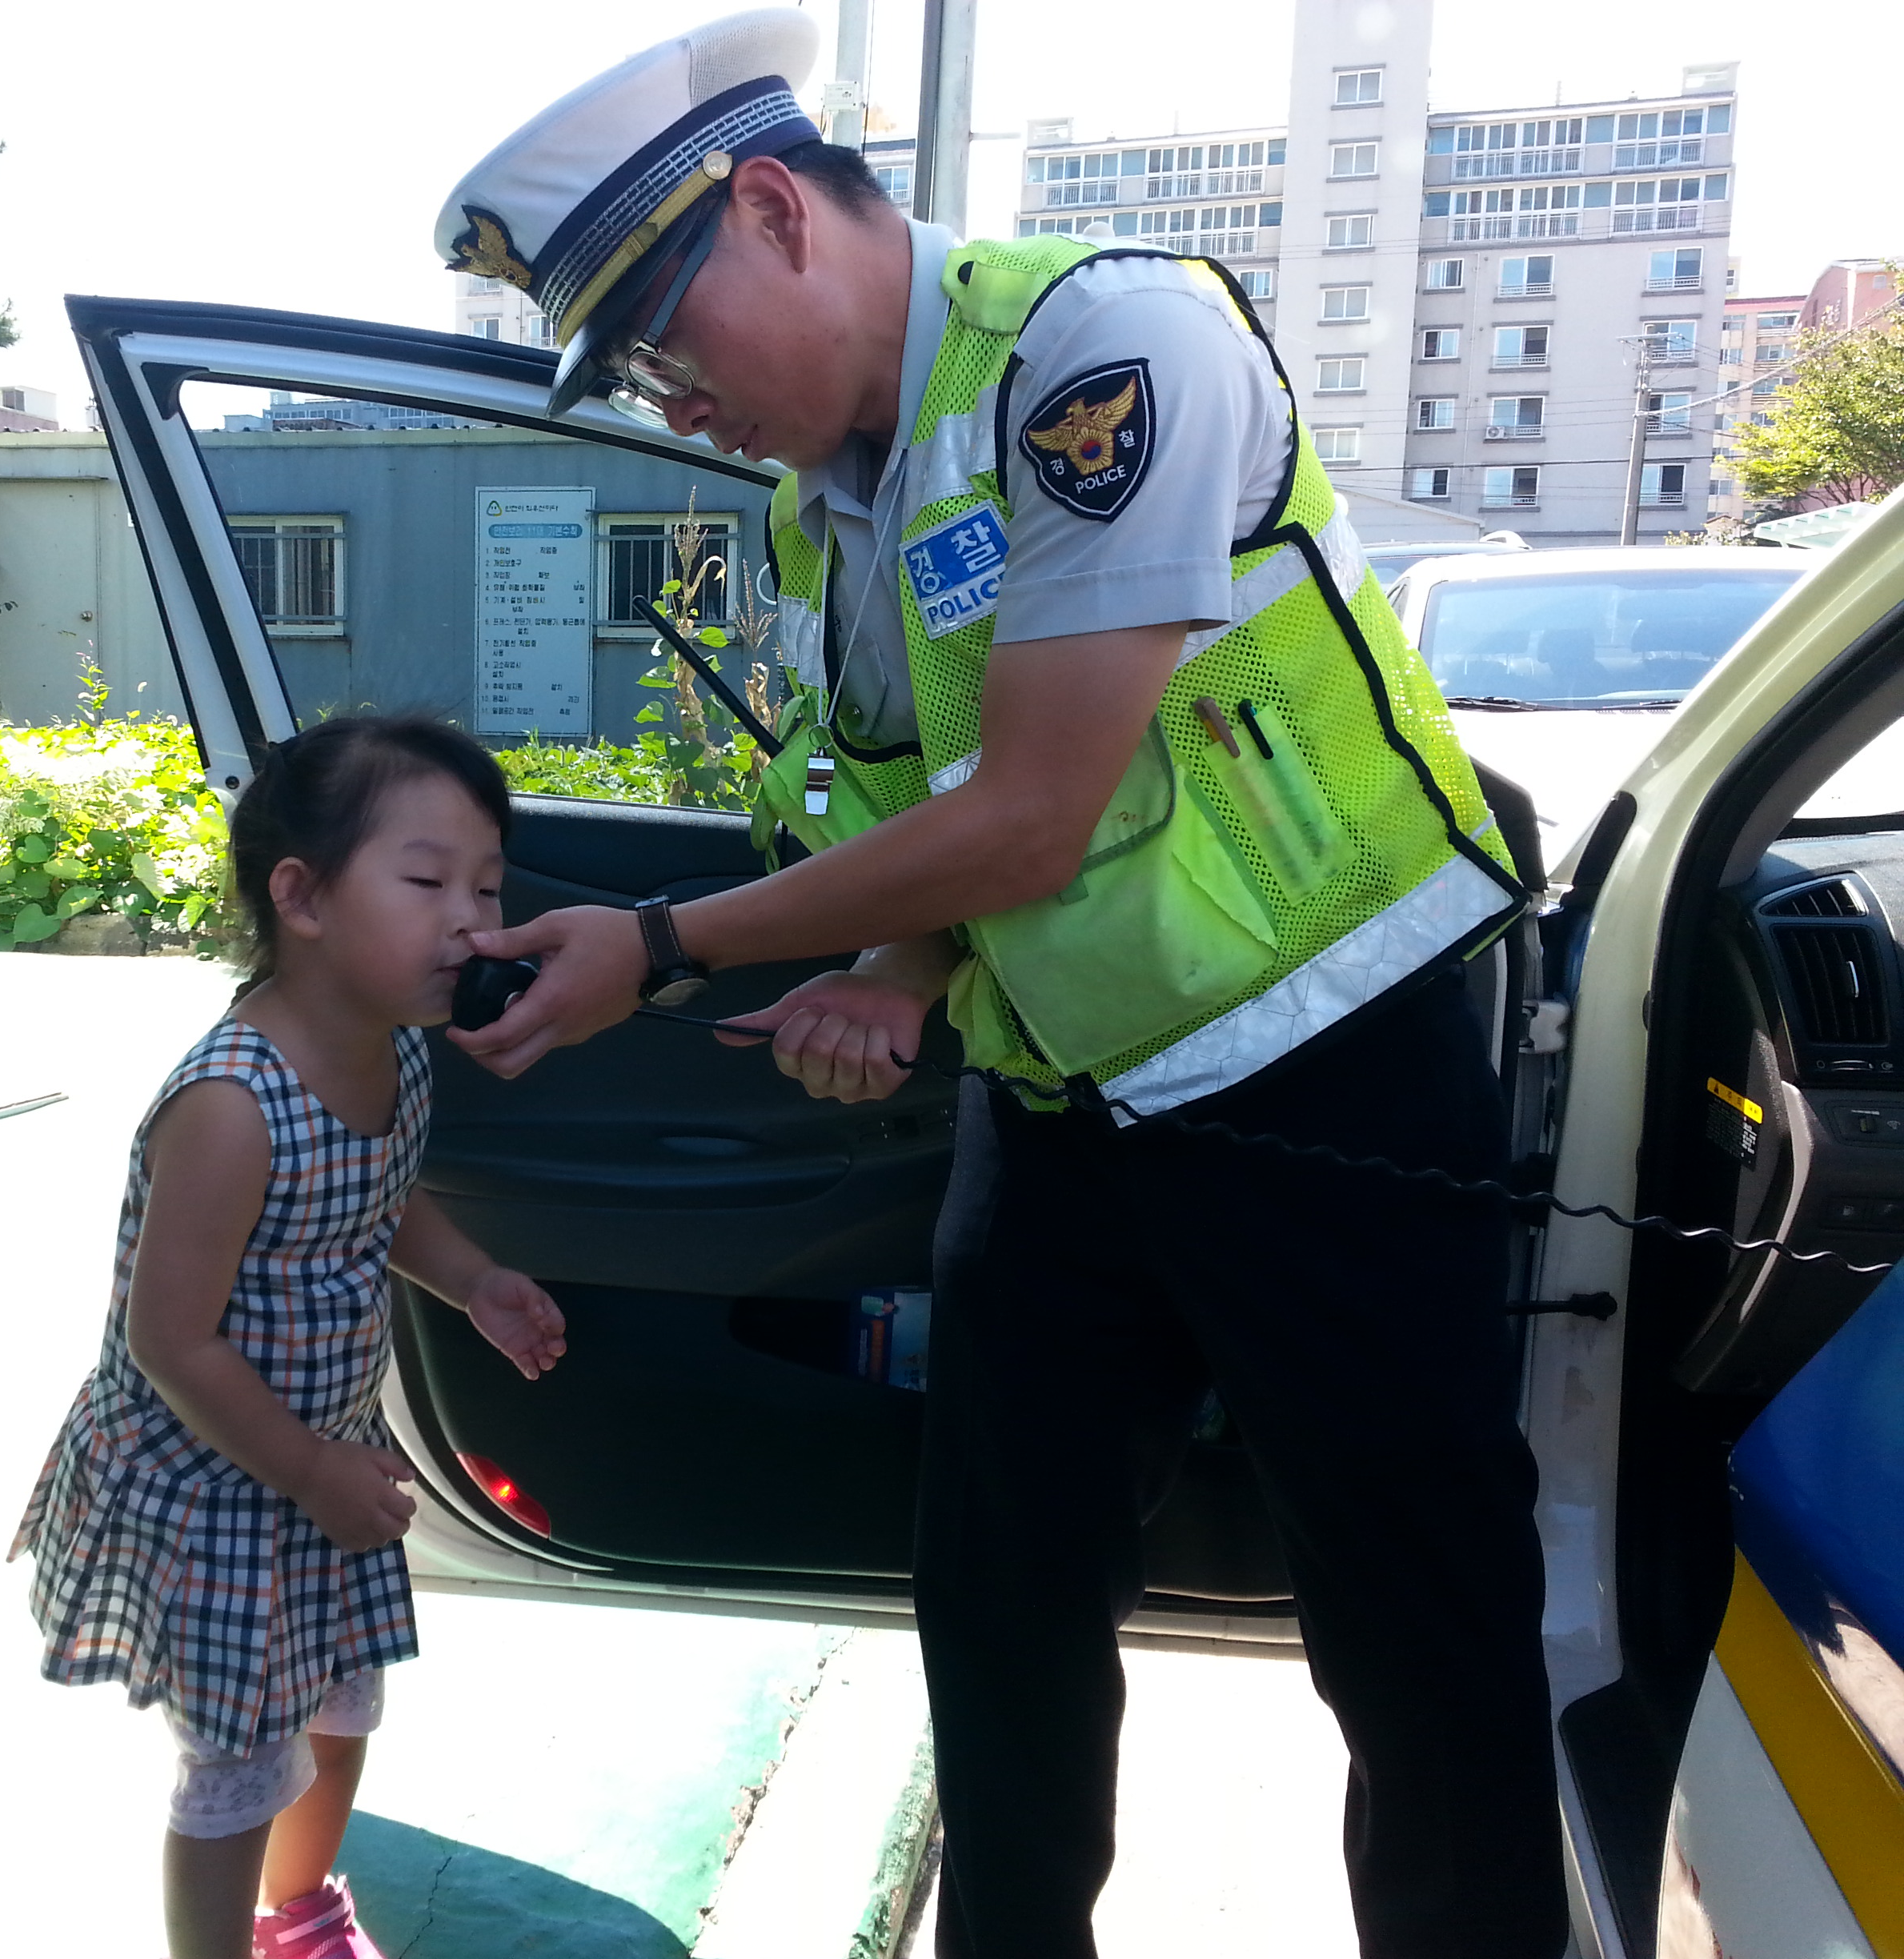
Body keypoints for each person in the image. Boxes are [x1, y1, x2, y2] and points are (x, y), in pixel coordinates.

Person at [431, 14, 1561, 1958]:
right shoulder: (831, 507)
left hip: (1327, 1077)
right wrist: (887, 966)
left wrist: (665, 944)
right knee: (1002, 1590)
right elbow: (938, 806)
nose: (658, 401)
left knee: (1410, 1620)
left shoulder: (1100, 351)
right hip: (1064, 1103)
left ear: (774, 208)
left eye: (654, 340)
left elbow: (1037, 807)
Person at [11, 716, 567, 1959]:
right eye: (428, 883)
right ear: (302, 898)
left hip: (321, 1462)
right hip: (220, 1483)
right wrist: (309, 1470)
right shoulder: (232, 1102)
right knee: (238, 1762)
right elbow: (172, 1338)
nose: (474, 923)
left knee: (342, 1707)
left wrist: (474, 1281)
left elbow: (380, 1202)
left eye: (488, 888)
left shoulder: (398, 1057)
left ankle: (300, 1912)